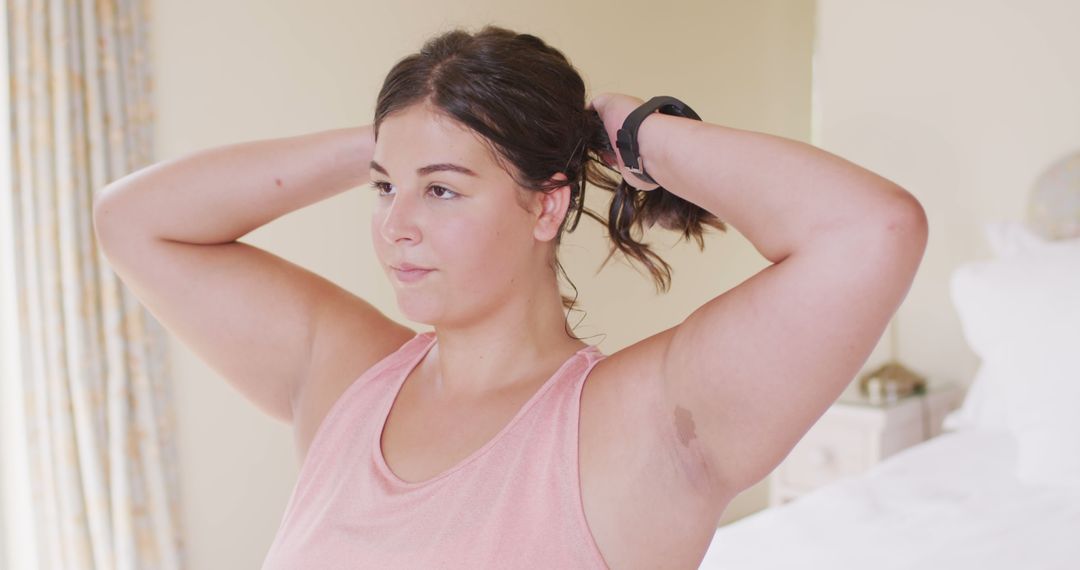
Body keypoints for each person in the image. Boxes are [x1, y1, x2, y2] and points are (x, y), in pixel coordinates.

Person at [93, 24, 928, 570]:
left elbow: (872, 231)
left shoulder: (636, 423)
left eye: (445, 192)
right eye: (387, 190)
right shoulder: (347, 377)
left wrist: (634, 133)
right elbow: (130, 220)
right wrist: (403, 139)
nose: (397, 227)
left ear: (548, 204)